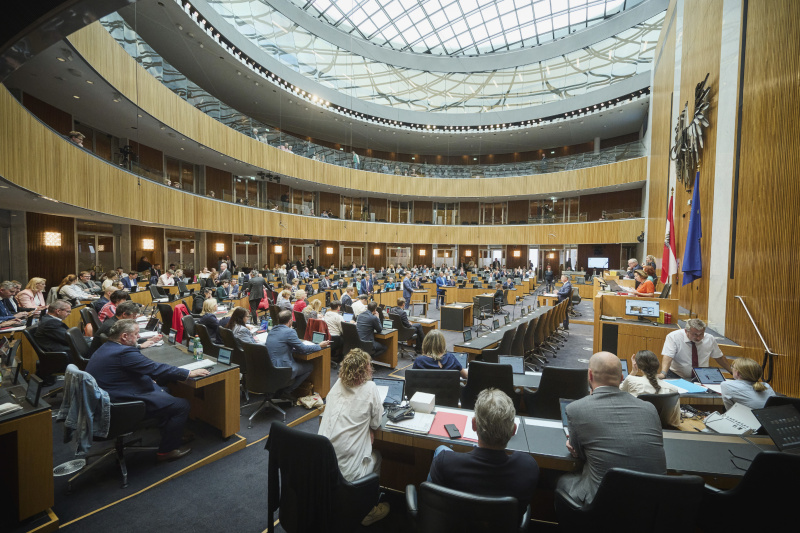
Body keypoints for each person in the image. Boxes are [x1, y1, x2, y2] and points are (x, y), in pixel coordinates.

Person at [87, 319, 209, 462]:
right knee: (182, 405)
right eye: (136, 334)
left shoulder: (108, 346)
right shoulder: (124, 353)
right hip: (119, 405)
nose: (139, 337)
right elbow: (155, 368)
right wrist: (187, 373)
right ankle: (167, 451)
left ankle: (172, 434)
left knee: (165, 390)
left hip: (108, 397)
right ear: (125, 336)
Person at [557, 351, 666, 506]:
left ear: (590, 375)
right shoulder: (649, 408)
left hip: (603, 506)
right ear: (622, 378)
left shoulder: (576, 409)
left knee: (562, 480)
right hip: (651, 505)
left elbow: (579, 454)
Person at [428, 389, 538, 521]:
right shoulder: (528, 467)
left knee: (441, 448)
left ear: (474, 425)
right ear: (513, 430)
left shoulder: (444, 462)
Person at [317, 348, 389, 526]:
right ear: (365, 369)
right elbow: (375, 423)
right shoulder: (370, 388)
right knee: (377, 456)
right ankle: (369, 509)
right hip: (348, 474)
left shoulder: (337, 384)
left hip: (322, 470)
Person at [266, 310, 331, 397]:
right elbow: (303, 349)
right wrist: (319, 345)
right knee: (309, 366)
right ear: (290, 321)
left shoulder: (272, 330)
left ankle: (283, 389)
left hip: (270, 368)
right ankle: (287, 391)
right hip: (283, 369)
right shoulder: (289, 332)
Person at [620, 350, 681, 427]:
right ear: (658, 365)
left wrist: (633, 372)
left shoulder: (631, 380)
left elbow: (617, 393)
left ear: (638, 366)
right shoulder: (673, 390)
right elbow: (675, 422)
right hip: (663, 431)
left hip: (635, 427)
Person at [658, 318, 733, 380]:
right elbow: (668, 356)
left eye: (701, 334)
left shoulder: (710, 338)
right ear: (686, 331)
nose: (699, 338)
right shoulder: (673, 337)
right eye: (695, 334)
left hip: (701, 376)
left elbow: (719, 357)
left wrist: (731, 371)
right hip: (677, 375)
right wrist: (663, 373)